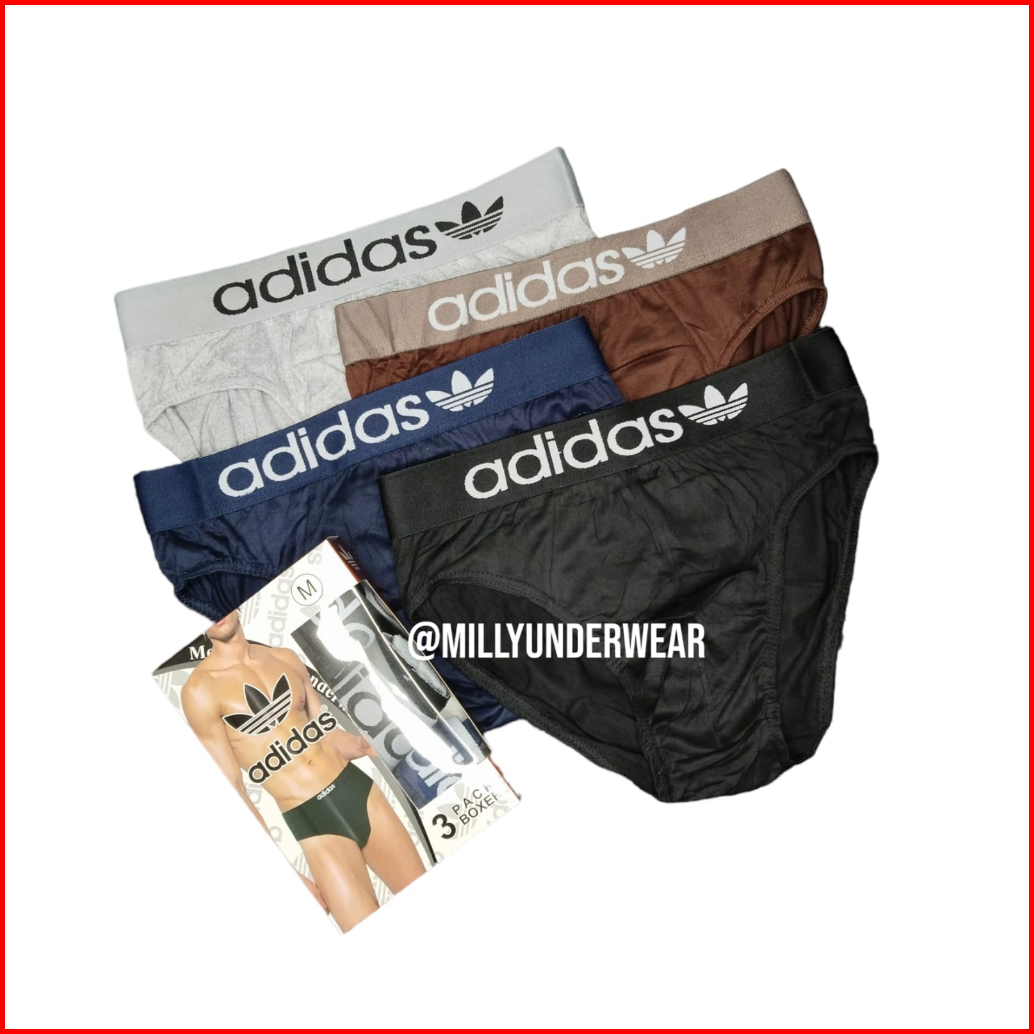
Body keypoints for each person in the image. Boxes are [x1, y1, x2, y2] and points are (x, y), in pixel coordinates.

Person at [181, 611, 426, 931]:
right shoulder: (200, 690)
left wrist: (358, 743)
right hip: (313, 823)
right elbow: (233, 790)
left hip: (358, 793)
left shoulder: (284, 657)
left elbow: (326, 733)